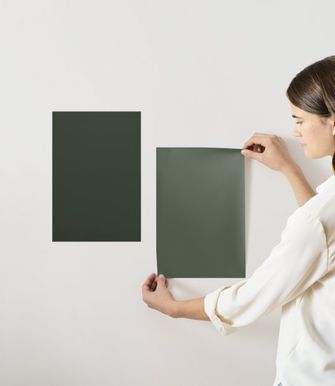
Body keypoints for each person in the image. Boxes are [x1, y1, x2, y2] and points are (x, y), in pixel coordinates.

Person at [142, 55, 335, 386]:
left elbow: (255, 295)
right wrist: (290, 170)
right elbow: (324, 238)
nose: (295, 130)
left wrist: (174, 309)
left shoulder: (318, 219)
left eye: (300, 120)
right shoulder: (323, 212)